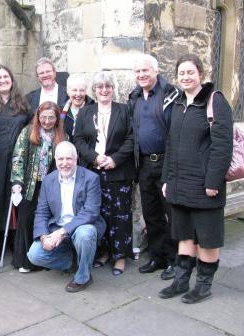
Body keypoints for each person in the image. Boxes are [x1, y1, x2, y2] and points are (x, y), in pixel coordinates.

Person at [159, 54, 233, 304]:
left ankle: (203, 285)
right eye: (181, 73)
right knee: (184, 235)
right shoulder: (178, 102)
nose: (186, 77)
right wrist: (167, 179)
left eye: (190, 72)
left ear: (201, 74)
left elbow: (222, 146)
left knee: (207, 237)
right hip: (179, 185)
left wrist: (213, 181)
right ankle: (181, 280)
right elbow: (170, 144)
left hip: (205, 186)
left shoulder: (215, 101)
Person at [73, 71, 135, 276]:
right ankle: (103, 253)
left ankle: (120, 256)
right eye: (100, 87)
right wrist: (94, 157)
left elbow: (131, 139)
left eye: (108, 86)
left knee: (120, 215)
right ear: (95, 91)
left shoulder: (124, 111)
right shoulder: (85, 113)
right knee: (98, 214)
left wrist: (114, 159)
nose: (104, 90)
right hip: (93, 173)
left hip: (119, 173)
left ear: (113, 89)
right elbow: (79, 139)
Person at [27, 141, 106, 292]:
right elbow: (42, 212)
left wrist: (62, 232)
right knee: (34, 255)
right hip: (57, 228)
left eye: (69, 159)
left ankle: (83, 277)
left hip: (82, 226)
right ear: (55, 160)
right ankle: (75, 261)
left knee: (85, 234)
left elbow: (91, 212)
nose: (65, 163)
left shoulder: (91, 178)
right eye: (60, 159)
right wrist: (44, 237)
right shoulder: (48, 181)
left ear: (76, 159)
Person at [128, 54, 179, 280]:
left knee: (172, 214)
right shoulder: (135, 97)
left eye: (145, 71)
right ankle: (157, 257)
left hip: (167, 163)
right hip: (145, 164)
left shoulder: (170, 93)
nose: (141, 75)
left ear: (155, 71)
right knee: (152, 214)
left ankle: (175, 260)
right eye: (137, 72)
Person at [0, 65, 33, 258]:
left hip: (18, 160)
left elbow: (30, 129)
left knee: (16, 200)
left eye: (6, 77)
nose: (3, 80)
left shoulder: (23, 104)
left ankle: (13, 238)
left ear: (12, 79)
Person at [11, 101, 66, 272]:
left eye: (51, 117)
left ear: (57, 118)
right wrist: (17, 182)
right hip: (30, 185)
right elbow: (18, 158)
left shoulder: (63, 136)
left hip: (52, 186)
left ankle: (45, 259)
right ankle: (25, 261)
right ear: (38, 117)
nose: (47, 121)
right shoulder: (28, 132)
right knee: (26, 219)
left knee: (48, 220)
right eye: (43, 117)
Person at [61, 74, 94, 141]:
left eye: (81, 90)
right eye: (74, 90)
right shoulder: (61, 111)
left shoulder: (93, 110)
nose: (78, 94)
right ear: (68, 91)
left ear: (85, 91)